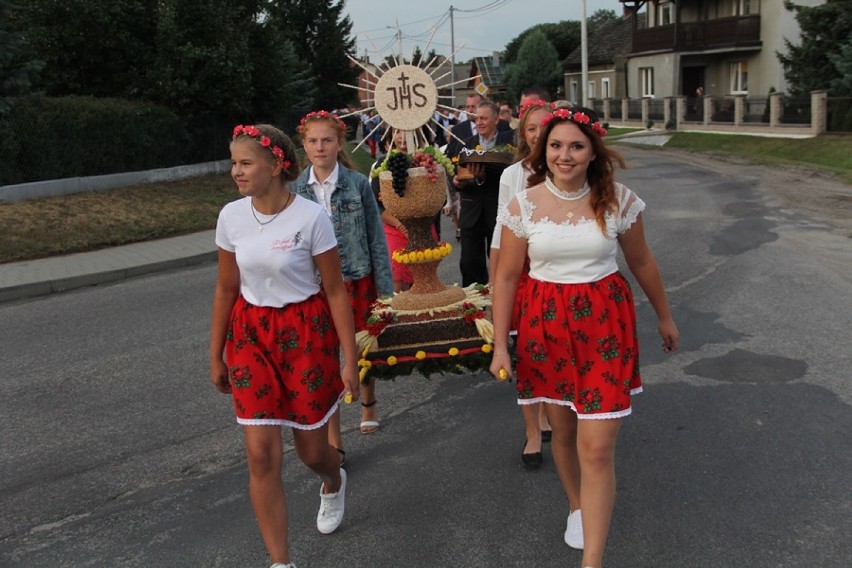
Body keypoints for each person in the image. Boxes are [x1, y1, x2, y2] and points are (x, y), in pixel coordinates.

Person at [489, 107, 680, 567]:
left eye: (576, 145)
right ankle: (576, 504)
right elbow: (509, 277)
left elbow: (642, 262)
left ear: (594, 150)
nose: (564, 155)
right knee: (567, 432)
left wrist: (664, 317)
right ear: (543, 151)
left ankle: (591, 561)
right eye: (555, 145)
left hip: (604, 329)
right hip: (545, 329)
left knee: (597, 447)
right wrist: (500, 343)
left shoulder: (617, 200)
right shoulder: (525, 204)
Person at [210, 123, 360, 568]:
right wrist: (215, 352)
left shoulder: (311, 217)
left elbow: (335, 290)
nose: (236, 171)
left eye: (245, 162)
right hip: (251, 336)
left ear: (276, 165)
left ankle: (333, 480)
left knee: (312, 451)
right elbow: (225, 288)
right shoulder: (230, 217)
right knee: (260, 454)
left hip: (305, 335)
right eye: (233, 162)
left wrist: (349, 359)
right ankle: (281, 562)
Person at [293, 110, 393, 439]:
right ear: (304, 145)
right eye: (312, 141)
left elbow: (376, 239)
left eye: (327, 140)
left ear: (339, 143)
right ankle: (333, 436)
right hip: (315, 286)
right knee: (324, 356)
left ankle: (368, 404)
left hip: (356, 279)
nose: (319, 147)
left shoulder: (358, 184)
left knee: (362, 347)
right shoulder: (295, 190)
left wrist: (386, 292)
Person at [487, 98, 555, 469]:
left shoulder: (568, 169)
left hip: (555, 271)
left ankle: (549, 413)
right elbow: (501, 231)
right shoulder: (512, 176)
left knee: (553, 347)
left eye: (546, 127)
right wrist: (493, 282)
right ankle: (532, 429)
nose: (539, 134)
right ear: (523, 135)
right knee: (527, 351)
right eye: (532, 128)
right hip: (521, 270)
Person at [449, 100, 515, 287]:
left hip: (499, 210)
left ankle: (499, 302)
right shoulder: (466, 145)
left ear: (496, 119)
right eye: (477, 118)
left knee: (501, 262)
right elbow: (456, 173)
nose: (480, 122)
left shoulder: (508, 144)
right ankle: (475, 307)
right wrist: (458, 182)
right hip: (471, 211)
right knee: (469, 263)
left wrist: (485, 176)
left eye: (484, 118)